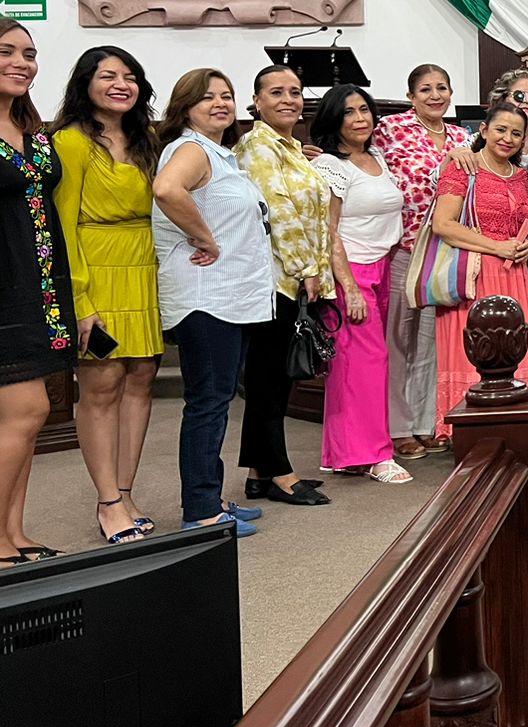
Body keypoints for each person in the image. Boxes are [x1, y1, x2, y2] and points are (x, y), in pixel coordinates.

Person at [151, 69, 272, 537]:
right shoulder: (191, 149)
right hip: (206, 298)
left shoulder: (220, 155)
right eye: (207, 98)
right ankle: (199, 511)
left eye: (227, 96)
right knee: (207, 403)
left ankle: (210, 495)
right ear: (185, 107)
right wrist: (205, 237)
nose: (220, 103)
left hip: (229, 296)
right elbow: (166, 190)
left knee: (217, 402)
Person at [51, 47, 163, 542]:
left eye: (130, 76)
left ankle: (126, 489)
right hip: (95, 268)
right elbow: (63, 226)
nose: (121, 84)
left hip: (145, 268)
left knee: (141, 380)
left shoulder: (147, 140)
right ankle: (108, 502)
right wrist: (80, 301)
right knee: (101, 388)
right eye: (108, 76)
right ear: (85, 83)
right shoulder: (70, 143)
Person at [235, 66, 333, 507]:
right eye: (276, 92)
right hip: (276, 278)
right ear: (256, 101)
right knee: (269, 379)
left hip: (293, 277)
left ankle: (260, 471)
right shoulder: (258, 146)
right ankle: (280, 473)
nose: (289, 99)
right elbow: (278, 212)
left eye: (295, 91)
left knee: (274, 378)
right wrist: (305, 269)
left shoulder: (289, 147)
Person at [0, 21, 74, 564]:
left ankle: (13, 534)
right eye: (6, 52)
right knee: (24, 411)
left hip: (42, 287)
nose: (21, 62)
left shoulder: (36, 133)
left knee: (26, 418)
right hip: (3, 290)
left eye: (29, 53)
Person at [309, 84, 409, 484]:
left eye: (364, 109)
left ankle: (353, 452)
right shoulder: (331, 165)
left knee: (361, 365)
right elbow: (327, 230)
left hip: (383, 265)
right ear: (335, 119)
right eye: (349, 112)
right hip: (350, 270)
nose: (360, 118)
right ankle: (376, 455)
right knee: (364, 364)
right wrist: (348, 286)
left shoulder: (377, 158)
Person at [373, 64, 469, 459]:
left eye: (442, 88)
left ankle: (427, 422)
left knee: (433, 342)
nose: (435, 96)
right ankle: (398, 428)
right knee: (399, 341)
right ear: (411, 96)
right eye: (425, 89)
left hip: (445, 252)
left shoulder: (464, 136)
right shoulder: (391, 129)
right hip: (404, 248)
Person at [433, 103, 528, 428]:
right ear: (484, 131)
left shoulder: (523, 176)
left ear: (524, 140)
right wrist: (497, 246)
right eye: (500, 130)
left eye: (516, 133)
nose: (507, 138)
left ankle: (515, 427)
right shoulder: (463, 168)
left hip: (515, 276)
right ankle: (467, 432)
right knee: (476, 354)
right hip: (474, 274)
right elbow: (443, 225)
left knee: (514, 350)